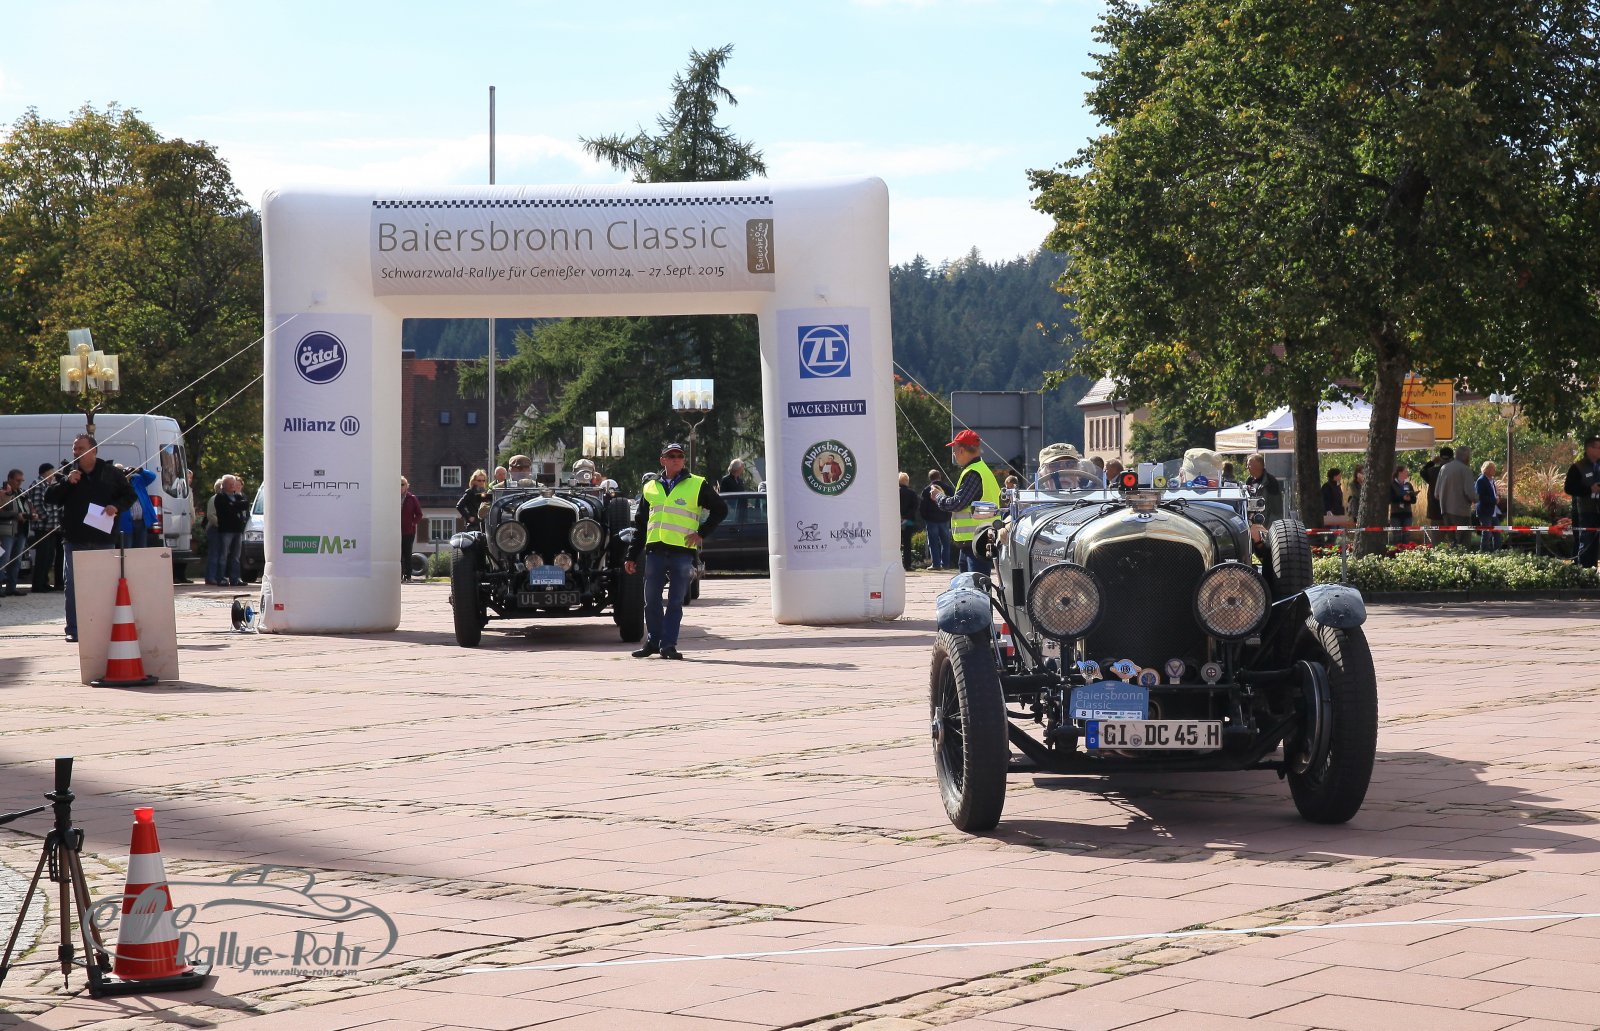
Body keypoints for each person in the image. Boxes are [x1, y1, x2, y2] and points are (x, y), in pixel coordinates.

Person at [624, 442, 727, 660]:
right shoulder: (650, 487)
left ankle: (668, 645)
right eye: (671, 456)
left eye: (680, 456)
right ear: (662, 460)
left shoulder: (697, 484)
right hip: (655, 551)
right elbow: (641, 524)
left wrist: (701, 533)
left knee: (675, 602)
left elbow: (721, 509)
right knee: (651, 600)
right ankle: (653, 642)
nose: (676, 459)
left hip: (682, 552)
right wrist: (631, 555)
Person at [44, 434, 135, 643]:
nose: (76, 452)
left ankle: (103, 628)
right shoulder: (68, 471)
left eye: (81, 448)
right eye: (74, 448)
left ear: (94, 450)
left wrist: (116, 507)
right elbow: (50, 498)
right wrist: (67, 482)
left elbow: (130, 495)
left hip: (103, 538)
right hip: (75, 538)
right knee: (73, 586)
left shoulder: (110, 472)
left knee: (104, 585)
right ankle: (74, 629)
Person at [930, 429, 1001, 575]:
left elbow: (957, 503)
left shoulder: (973, 473)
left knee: (975, 585)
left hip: (976, 541)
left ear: (961, 450)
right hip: (977, 539)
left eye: (954, 450)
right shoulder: (981, 470)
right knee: (971, 584)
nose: (954, 454)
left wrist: (938, 497)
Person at [1563, 434, 1600, 568]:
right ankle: (1584, 572)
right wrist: (1589, 490)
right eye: (1598, 448)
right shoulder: (1578, 467)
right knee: (1585, 544)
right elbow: (1569, 488)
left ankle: (1593, 571)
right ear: (1589, 449)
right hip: (1585, 512)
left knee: (1596, 546)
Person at [26, 463, 63, 592]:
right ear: (46, 472)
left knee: (49, 556)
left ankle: (44, 582)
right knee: (42, 556)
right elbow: (38, 504)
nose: (54, 475)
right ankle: (38, 584)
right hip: (43, 527)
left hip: (51, 527)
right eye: (52, 472)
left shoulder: (49, 485)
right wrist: (47, 518)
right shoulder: (39, 484)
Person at [211, 476, 249, 586]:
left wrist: (233, 505)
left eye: (233, 483)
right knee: (223, 555)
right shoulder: (220, 497)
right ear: (224, 485)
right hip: (226, 530)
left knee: (236, 556)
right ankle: (221, 578)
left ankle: (235, 578)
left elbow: (245, 504)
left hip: (237, 530)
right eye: (230, 484)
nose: (233, 486)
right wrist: (235, 506)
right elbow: (226, 510)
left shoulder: (237, 496)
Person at [1435, 445, 1477, 539]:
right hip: (1461, 512)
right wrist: (1478, 498)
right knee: (1463, 542)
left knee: (1452, 541)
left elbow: (1437, 494)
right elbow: (1470, 494)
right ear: (1466, 457)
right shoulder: (1466, 470)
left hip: (1446, 512)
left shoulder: (1444, 468)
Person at [920, 470, 953, 570]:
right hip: (944, 519)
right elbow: (952, 502)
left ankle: (936, 564)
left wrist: (925, 517)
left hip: (931, 520)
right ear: (940, 476)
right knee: (945, 543)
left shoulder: (927, 490)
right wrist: (948, 516)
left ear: (930, 478)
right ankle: (945, 564)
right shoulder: (948, 488)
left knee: (933, 543)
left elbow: (922, 506)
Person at [118, 467, 158, 548]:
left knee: (141, 549)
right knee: (126, 549)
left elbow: (152, 476)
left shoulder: (137, 480)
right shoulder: (116, 484)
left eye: (123, 470)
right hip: (125, 523)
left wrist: (139, 470)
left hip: (141, 522)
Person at [0, 469, 25, 597]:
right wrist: (16, 515)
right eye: (17, 480)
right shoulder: (2, 493)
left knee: (16, 561)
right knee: (3, 560)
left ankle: (11, 587)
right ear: (9, 479)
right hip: (6, 531)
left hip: (20, 531)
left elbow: (24, 509)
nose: (20, 483)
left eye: (21, 481)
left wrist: (30, 514)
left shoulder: (21, 493)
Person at [1244, 453, 1283, 525]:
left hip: (1266, 525)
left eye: (1249, 465)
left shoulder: (1270, 482)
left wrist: (1269, 528)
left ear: (1258, 466)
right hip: (1252, 524)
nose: (1247, 468)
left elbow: (1276, 510)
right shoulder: (1249, 481)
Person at [1421, 445, 1453, 526]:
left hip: (1435, 511)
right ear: (1452, 458)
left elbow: (1422, 471)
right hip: (1452, 512)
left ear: (1440, 458)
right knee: (1452, 534)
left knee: (1436, 533)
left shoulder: (1432, 472)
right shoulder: (1456, 472)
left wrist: (1432, 462)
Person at [1475, 460, 1502, 552]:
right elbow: (1481, 497)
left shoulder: (1492, 481)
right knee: (1487, 533)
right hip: (1485, 511)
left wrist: (1497, 498)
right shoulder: (1481, 481)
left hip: (1493, 511)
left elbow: (1492, 494)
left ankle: (1498, 552)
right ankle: (1484, 552)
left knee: (1497, 532)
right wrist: (1494, 500)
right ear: (1487, 469)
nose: (1494, 470)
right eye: (1493, 468)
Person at [400, 477, 423, 582]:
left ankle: (408, 576)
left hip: (408, 531)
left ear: (406, 486)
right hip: (395, 531)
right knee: (398, 554)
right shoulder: (391, 497)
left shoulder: (412, 498)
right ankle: (399, 575)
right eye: (398, 484)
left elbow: (419, 514)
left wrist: (412, 523)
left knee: (407, 553)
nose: (400, 487)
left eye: (402, 484)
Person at [897, 471, 918, 571]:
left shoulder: (894, 492)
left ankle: (897, 564)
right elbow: (914, 507)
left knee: (896, 544)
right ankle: (907, 565)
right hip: (908, 521)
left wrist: (899, 516)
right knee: (907, 543)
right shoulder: (912, 493)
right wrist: (906, 517)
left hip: (895, 521)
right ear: (907, 481)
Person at [1390, 465, 1417, 541]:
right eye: (1406, 471)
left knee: (1406, 536)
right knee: (1397, 536)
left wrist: (1410, 498)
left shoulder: (1408, 484)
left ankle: (1406, 548)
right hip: (1396, 515)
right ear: (1400, 472)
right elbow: (1390, 498)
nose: (1407, 473)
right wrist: (1402, 498)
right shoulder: (1392, 484)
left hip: (1407, 514)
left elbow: (1414, 500)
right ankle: (1397, 548)